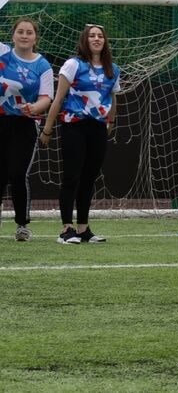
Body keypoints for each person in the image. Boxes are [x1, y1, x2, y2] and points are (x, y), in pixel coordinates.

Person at [40, 24, 120, 244]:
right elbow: (58, 99)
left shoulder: (113, 69)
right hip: (74, 126)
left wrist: (111, 122)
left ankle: (84, 229)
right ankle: (67, 229)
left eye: (100, 36)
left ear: (105, 41)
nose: (96, 39)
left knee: (89, 178)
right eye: (92, 36)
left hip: (98, 128)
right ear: (85, 40)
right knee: (72, 177)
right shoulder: (73, 64)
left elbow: (113, 99)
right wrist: (47, 129)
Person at [0, 18, 53, 241]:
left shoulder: (42, 66)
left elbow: (46, 98)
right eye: (20, 31)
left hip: (25, 124)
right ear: (12, 35)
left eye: (29, 32)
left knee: (17, 174)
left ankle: (22, 225)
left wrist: (35, 107)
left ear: (35, 37)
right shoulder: (3, 54)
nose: (24, 35)